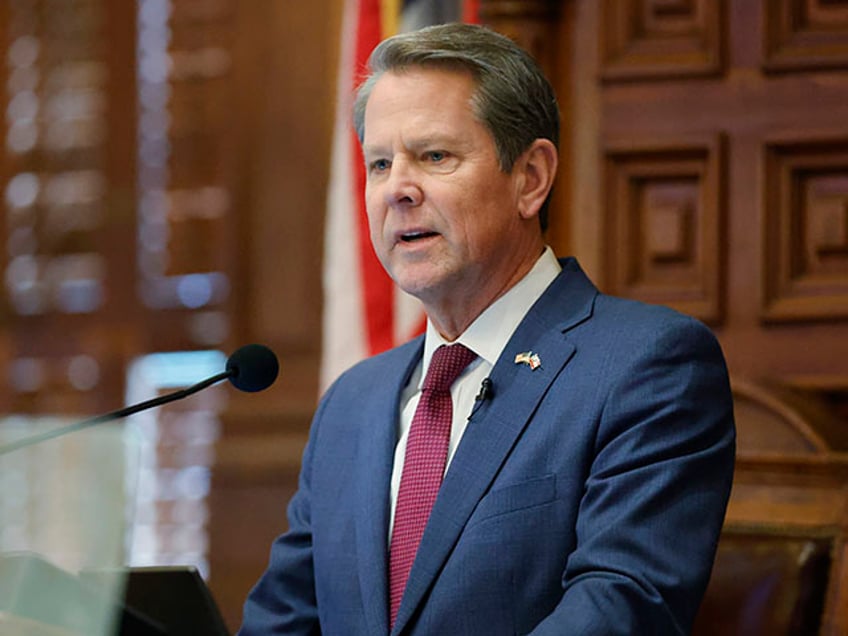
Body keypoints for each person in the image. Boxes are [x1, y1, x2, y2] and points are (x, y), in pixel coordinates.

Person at [239, 22, 735, 635]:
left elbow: (619, 611)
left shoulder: (647, 367)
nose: (397, 189)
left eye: (435, 156)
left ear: (530, 178)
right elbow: (282, 622)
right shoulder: (352, 402)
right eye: (379, 163)